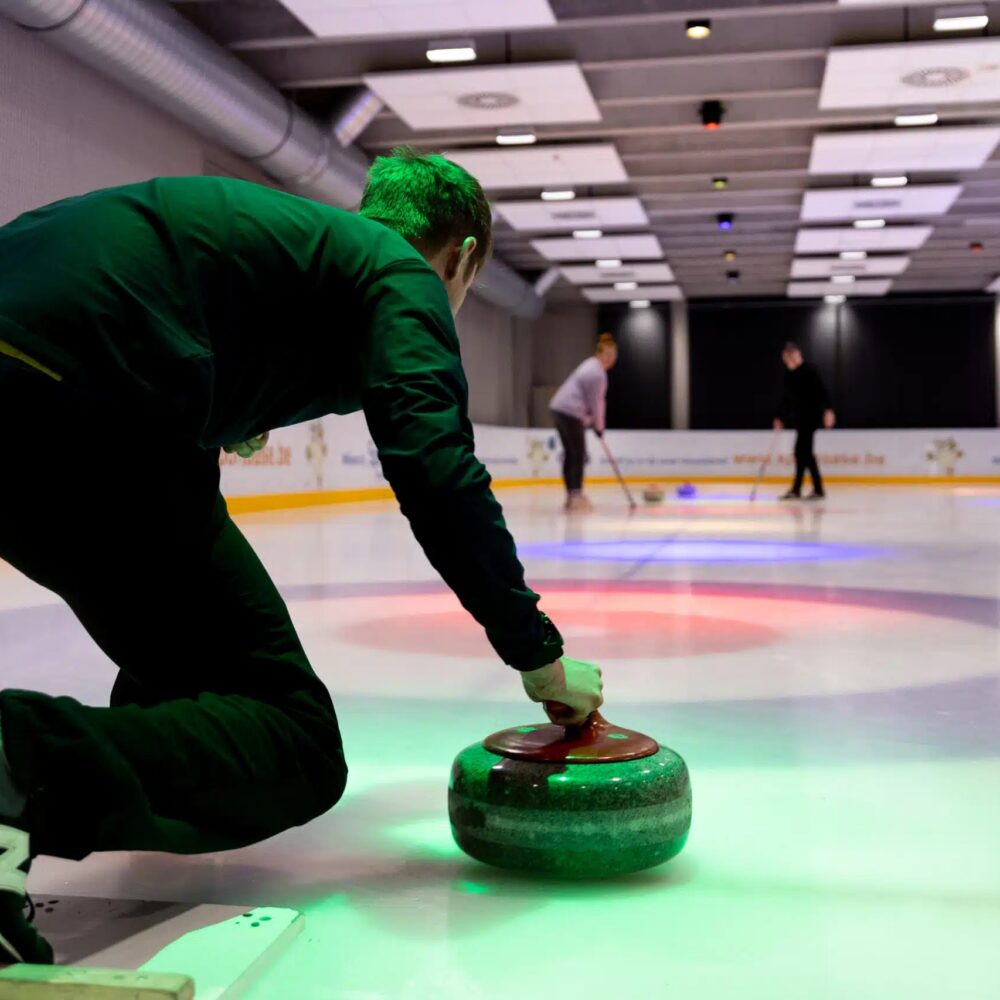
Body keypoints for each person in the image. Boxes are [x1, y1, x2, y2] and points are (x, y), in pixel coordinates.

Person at [0, 149, 604, 964]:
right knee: (297, 742)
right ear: (462, 257)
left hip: (52, 368)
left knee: (194, 677)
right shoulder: (401, 271)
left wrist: (228, 406)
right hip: (80, 391)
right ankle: (15, 764)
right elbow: (434, 466)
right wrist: (537, 653)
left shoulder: (310, 251)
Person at [549, 333, 618, 512]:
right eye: (607, 355)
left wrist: (591, 422)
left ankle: (571, 495)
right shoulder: (598, 374)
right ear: (600, 353)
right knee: (577, 454)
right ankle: (576, 496)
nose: (610, 359)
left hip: (560, 409)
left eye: (613, 356)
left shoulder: (590, 364)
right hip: (569, 412)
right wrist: (599, 427)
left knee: (571, 454)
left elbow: (587, 401)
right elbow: (596, 403)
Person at [773, 341, 836, 501]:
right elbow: (787, 399)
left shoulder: (809, 371)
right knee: (802, 453)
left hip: (811, 417)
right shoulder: (789, 376)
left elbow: (822, 391)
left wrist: (828, 410)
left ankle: (812, 489)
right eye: (785, 358)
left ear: (797, 354)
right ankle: (802, 489)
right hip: (799, 418)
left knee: (803, 452)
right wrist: (780, 417)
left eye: (790, 356)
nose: (788, 360)